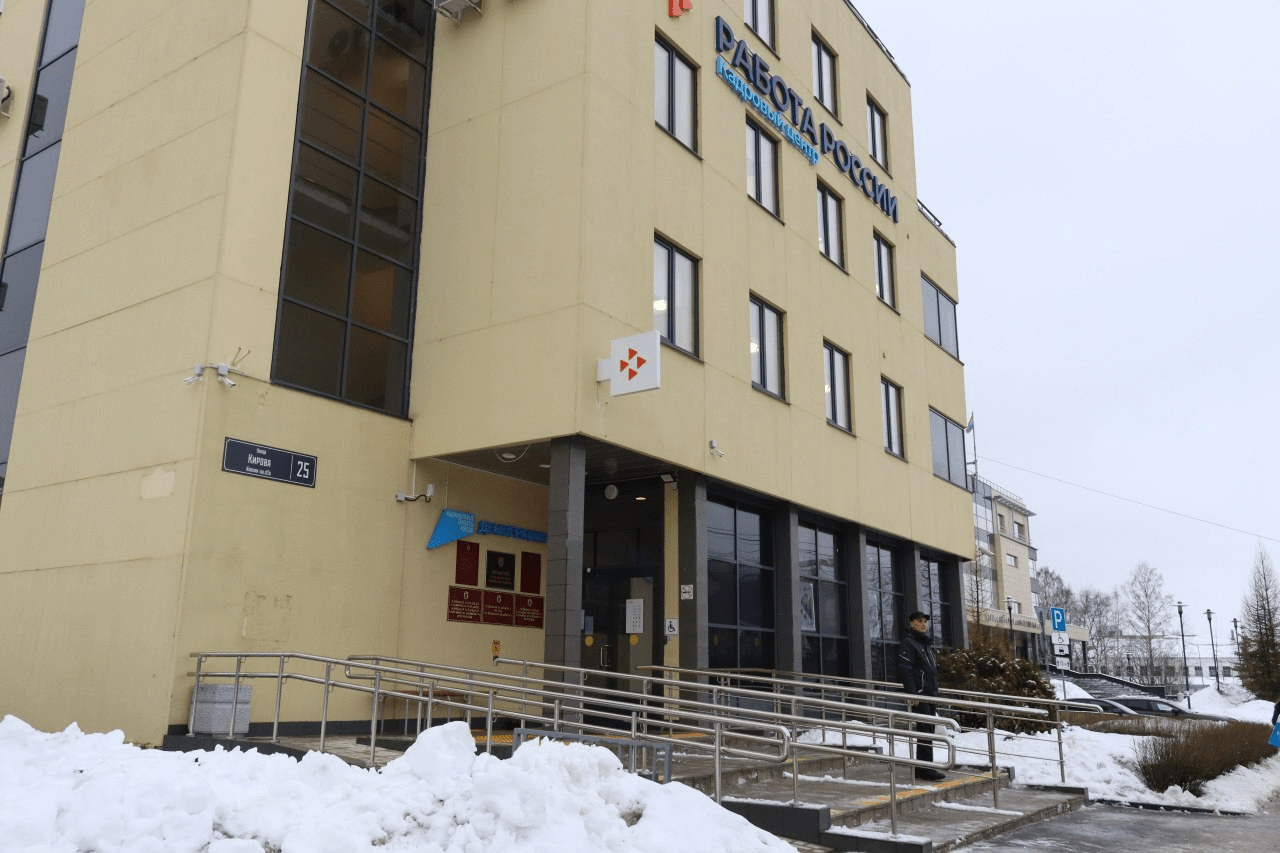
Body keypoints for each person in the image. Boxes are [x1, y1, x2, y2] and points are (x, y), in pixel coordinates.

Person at [898, 610, 945, 782]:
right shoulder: (909, 643)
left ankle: (922, 768)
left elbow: (930, 672)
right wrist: (912, 694)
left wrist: (935, 693)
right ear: (912, 624)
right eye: (919, 621)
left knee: (928, 730)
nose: (923, 624)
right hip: (920, 694)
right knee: (925, 730)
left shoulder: (925, 645)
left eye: (925, 621)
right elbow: (905, 670)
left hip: (930, 695)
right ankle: (926, 769)